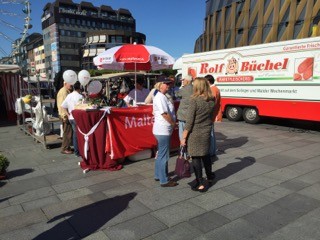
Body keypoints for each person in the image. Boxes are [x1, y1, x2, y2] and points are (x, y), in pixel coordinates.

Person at [180, 77, 215, 192]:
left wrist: (183, 137)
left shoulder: (194, 100)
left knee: (195, 157)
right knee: (205, 155)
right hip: (206, 131)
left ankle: (200, 183)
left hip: (195, 132)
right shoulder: (211, 99)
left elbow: (189, 122)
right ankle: (210, 177)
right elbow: (211, 117)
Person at [153, 75, 178, 187]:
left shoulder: (160, 96)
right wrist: (173, 124)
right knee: (164, 155)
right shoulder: (160, 97)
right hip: (163, 129)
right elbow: (164, 113)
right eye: (166, 83)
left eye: (169, 83)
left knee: (161, 154)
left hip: (161, 128)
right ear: (160, 85)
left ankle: (158, 175)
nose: (168, 85)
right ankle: (164, 180)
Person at [61, 81, 83, 157]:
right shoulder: (80, 96)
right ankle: (78, 151)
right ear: (79, 88)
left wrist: (68, 114)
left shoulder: (69, 95)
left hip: (71, 118)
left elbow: (63, 106)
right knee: (78, 134)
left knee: (75, 134)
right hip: (77, 118)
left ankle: (77, 151)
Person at [205, 74, 222, 158]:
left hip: (211, 114)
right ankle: (213, 149)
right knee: (211, 132)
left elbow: (211, 103)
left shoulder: (212, 89)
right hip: (213, 113)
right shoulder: (215, 88)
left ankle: (211, 151)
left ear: (208, 81)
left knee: (210, 133)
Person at [57, 81, 74, 154]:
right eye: (70, 83)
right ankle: (65, 148)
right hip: (65, 115)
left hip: (65, 114)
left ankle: (67, 147)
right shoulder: (64, 92)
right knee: (67, 132)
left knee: (68, 131)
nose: (71, 85)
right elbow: (62, 105)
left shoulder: (66, 91)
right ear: (65, 83)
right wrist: (65, 115)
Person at [176, 75, 193, 141]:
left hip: (183, 115)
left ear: (187, 81)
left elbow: (177, 95)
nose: (182, 81)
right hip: (191, 114)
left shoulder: (184, 89)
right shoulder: (195, 88)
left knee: (182, 133)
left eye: (183, 80)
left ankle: (183, 149)